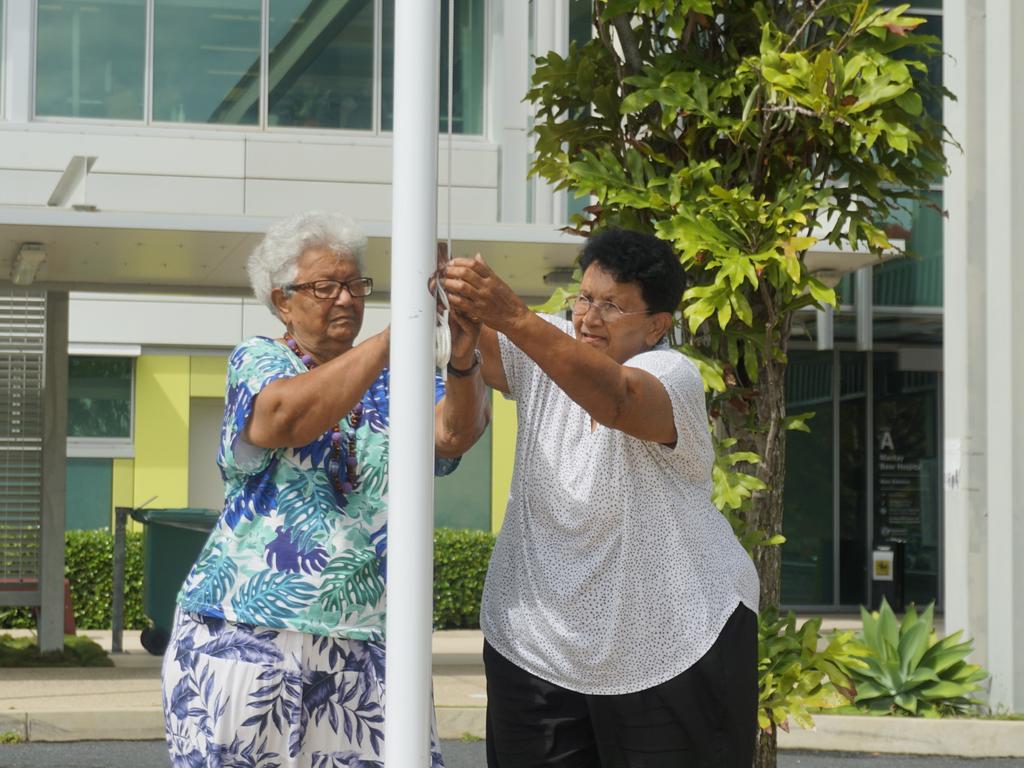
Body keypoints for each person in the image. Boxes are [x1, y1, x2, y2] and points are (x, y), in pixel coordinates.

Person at [162, 210, 489, 767]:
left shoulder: (401, 372)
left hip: (375, 641)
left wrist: (461, 355)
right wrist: (400, 333)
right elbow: (286, 418)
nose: (345, 299)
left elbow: (453, 435)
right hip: (248, 637)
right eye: (324, 286)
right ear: (282, 300)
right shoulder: (261, 359)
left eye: (354, 284)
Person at [443, 228, 760, 768]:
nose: (588, 317)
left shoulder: (671, 374)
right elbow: (474, 339)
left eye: (611, 306)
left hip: (673, 641)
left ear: (657, 325)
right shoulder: (549, 344)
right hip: (536, 646)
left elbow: (617, 399)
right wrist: (459, 311)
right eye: (584, 297)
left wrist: (513, 315)